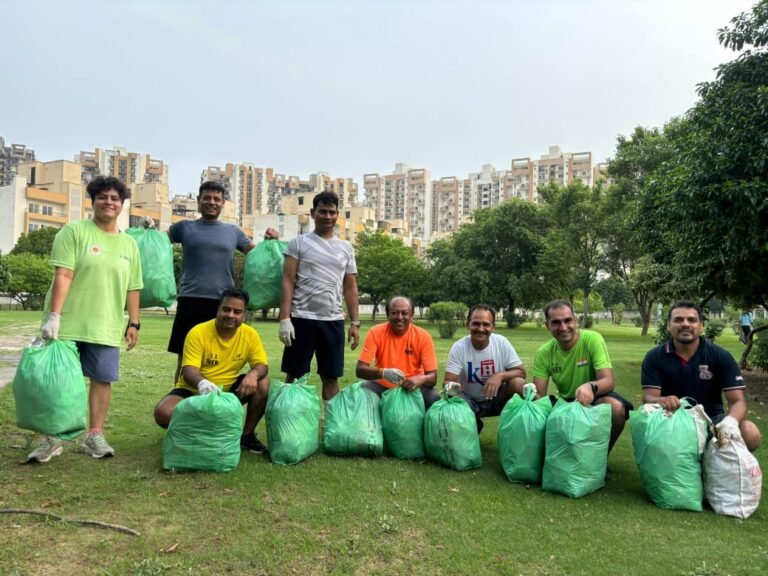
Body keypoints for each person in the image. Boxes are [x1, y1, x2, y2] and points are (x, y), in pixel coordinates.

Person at [28, 176, 143, 463]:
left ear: (122, 204)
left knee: (102, 380)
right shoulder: (74, 232)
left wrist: (134, 322)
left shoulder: (129, 244)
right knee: (59, 382)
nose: (109, 202)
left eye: (115, 198)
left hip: (105, 324)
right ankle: (53, 438)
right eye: (103, 196)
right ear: (93, 201)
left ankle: (94, 436)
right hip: (67, 323)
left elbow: (133, 286)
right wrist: (54, 316)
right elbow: (64, 274)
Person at [166, 179, 277, 381]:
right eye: (207, 198)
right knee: (185, 360)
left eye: (217, 199)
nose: (212, 202)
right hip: (190, 300)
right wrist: (146, 229)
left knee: (219, 356)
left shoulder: (232, 232)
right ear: (199, 201)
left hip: (223, 304)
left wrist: (270, 242)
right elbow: (157, 245)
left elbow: (257, 257)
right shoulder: (183, 228)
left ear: (223, 203)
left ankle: (216, 399)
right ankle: (181, 403)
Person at [153, 288, 271, 454]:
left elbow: (262, 366)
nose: (231, 315)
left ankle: (247, 436)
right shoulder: (198, 332)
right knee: (163, 412)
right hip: (194, 390)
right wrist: (202, 383)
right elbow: (188, 370)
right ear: (218, 308)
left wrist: (253, 374)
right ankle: (205, 433)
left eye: (237, 312)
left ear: (244, 314)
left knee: (263, 382)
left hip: (228, 393)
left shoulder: (250, 334)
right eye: (226, 309)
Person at [641, 300, 761, 452]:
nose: (685, 324)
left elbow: (738, 401)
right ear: (668, 325)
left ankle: (731, 468)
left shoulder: (720, 356)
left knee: (750, 432)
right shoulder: (655, 357)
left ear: (701, 326)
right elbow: (648, 398)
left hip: (712, 422)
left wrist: (730, 421)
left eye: (692, 320)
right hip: (672, 421)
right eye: (678, 320)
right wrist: (661, 400)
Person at [278, 191, 360, 400]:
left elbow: (350, 286)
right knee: (295, 375)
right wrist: (285, 318)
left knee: (331, 377)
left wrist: (355, 322)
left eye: (332, 212)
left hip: (332, 320)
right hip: (301, 318)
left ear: (337, 214)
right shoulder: (298, 243)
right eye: (323, 211)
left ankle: (332, 426)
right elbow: (288, 280)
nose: (327, 216)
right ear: (313, 213)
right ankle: (289, 423)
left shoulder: (346, 248)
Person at [531, 299, 633, 454]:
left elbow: (608, 381)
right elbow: (540, 397)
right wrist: (530, 394)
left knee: (616, 408)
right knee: (535, 411)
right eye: (556, 322)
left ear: (576, 321)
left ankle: (600, 459)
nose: (563, 327)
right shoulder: (543, 353)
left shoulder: (592, 339)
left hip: (593, 399)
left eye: (568, 320)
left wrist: (590, 386)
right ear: (547, 326)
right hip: (565, 404)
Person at [443, 304, 526, 433]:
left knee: (518, 383)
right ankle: (473, 423)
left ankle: (514, 428)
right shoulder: (459, 347)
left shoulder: (501, 342)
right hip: (469, 402)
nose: (481, 329)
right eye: (476, 323)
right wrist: (453, 389)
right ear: (468, 324)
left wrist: (500, 376)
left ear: (493, 327)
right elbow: (448, 380)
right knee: (453, 395)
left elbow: (521, 372)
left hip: (497, 399)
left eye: (486, 324)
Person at [356, 296, 439, 409]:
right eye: (394, 313)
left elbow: (433, 377)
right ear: (388, 315)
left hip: (412, 388)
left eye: (404, 313)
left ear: (412, 315)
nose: (400, 317)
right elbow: (360, 370)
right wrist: (383, 373)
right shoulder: (375, 332)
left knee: (433, 397)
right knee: (362, 391)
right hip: (382, 387)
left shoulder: (423, 336)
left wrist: (421, 379)